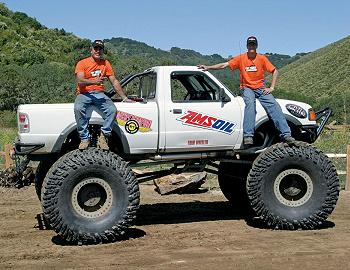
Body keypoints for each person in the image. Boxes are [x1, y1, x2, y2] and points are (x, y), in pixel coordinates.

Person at [198, 36, 295, 147]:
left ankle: (286, 134)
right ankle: (248, 135)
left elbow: (275, 71)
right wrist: (208, 67)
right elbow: (224, 65)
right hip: (247, 88)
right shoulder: (241, 58)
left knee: (274, 105)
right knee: (250, 104)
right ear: (247, 46)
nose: (251, 46)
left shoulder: (262, 58)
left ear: (256, 46)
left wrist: (272, 87)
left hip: (260, 88)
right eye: (250, 44)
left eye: (253, 44)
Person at [74, 39, 130, 150]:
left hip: (99, 94)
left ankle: (104, 136)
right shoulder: (82, 63)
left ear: (102, 51)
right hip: (84, 93)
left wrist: (124, 97)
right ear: (91, 50)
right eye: (96, 48)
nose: (98, 51)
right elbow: (80, 80)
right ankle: (85, 138)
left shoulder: (106, 63)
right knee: (78, 108)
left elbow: (114, 81)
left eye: (100, 49)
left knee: (112, 110)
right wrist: (94, 81)